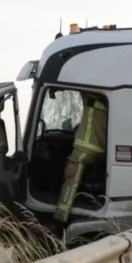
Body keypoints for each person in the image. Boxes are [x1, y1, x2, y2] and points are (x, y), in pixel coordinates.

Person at [53, 92, 108, 230]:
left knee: (71, 176)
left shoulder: (92, 95)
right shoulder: (103, 100)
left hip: (86, 147)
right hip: (97, 148)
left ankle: (60, 218)